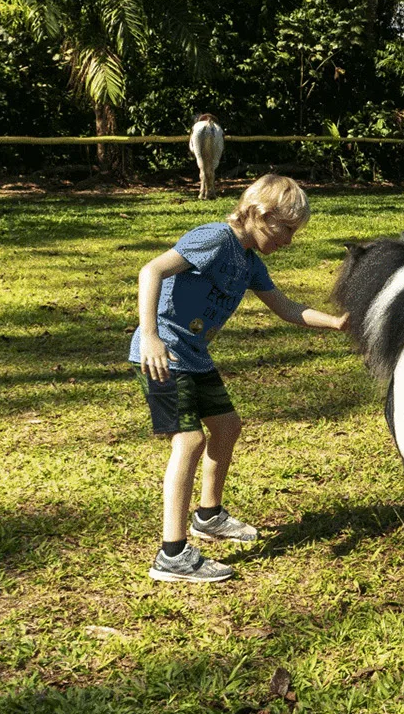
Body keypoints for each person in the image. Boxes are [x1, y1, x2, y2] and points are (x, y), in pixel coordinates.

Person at [131, 174, 348, 584]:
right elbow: (151, 270)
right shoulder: (215, 239)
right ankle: (171, 554)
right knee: (190, 440)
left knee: (227, 426)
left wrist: (336, 323)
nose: (288, 240)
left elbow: (286, 307)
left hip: (194, 355)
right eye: (285, 229)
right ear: (260, 215)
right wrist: (151, 336)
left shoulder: (249, 263)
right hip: (164, 354)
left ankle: (208, 516)